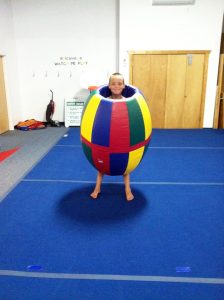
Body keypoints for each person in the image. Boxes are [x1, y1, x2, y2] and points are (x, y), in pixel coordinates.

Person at [90, 73, 134, 201]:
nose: (116, 86)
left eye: (119, 83)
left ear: (124, 86)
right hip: (106, 136)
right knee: (101, 164)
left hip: (122, 137)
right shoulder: (105, 101)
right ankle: (97, 188)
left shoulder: (127, 102)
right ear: (109, 86)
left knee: (126, 165)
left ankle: (127, 189)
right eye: (113, 83)